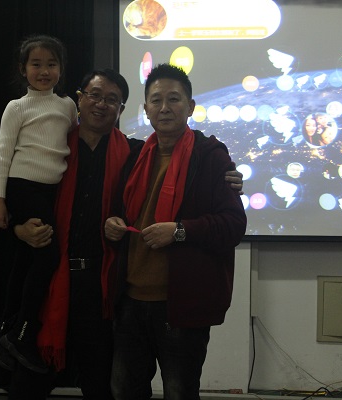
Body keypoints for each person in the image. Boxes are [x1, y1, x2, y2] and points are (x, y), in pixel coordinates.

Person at [0, 68, 245, 399]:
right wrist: (18, 227)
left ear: (122, 109)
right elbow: (22, 192)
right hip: (59, 283)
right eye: (94, 95)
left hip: (110, 290)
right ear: (79, 100)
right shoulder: (55, 147)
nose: (101, 104)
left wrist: (221, 187)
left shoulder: (141, 154)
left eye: (112, 99)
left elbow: (229, 220)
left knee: (121, 388)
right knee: (35, 386)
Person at [104, 63, 247, 400]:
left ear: (191, 106)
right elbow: (120, 211)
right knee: (124, 390)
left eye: (174, 99)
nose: (164, 107)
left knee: (180, 392)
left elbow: (233, 225)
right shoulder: (136, 156)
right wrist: (112, 223)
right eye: (156, 100)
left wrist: (179, 231)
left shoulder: (210, 157)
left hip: (181, 306)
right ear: (145, 109)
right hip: (130, 301)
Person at [0, 34, 78, 374]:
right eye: (36, 64)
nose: (44, 71)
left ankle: (5, 328)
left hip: (51, 191)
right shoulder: (16, 107)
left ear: (61, 69)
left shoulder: (67, 106)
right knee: (48, 254)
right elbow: (2, 155)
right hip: (23, 186)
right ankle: (22, 333)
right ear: (23, 69)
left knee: (27, 258)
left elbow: (74, 141)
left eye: (51, 64)